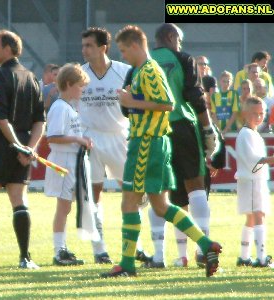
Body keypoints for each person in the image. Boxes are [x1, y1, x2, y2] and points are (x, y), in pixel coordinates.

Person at [100, 25, 221, 278]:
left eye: (123, 50)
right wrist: (130, 100)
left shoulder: (148, 69)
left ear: (135, 45)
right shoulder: (141, 70)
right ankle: (206, 244)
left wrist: (131, 101)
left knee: (129, 202)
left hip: (147, 142)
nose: (122, 56)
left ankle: (127, 264)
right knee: (161, 205)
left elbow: (167, 103)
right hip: (154, 141)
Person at [139, 23, 220, 269]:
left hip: (153, 131)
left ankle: (158, 256)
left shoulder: (143, 61)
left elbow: (130, 102)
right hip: (183, 126)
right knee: (195, 186)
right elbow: (195, 96)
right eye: (179, 40)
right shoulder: (184, 59)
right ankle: (202, 251)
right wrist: (208, 130)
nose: (180, 45)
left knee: (158, 191)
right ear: (172, 37)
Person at [0, 29, 45, 270]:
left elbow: (0, 117)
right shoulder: (32, 77)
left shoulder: (0, 77)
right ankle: (25, 258)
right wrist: (29, 148)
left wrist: (16, 145)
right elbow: (39, 120)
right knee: (19, 201)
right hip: (22, 146)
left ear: (8, 49)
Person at [80, 27, 147, 264]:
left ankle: (136, 247)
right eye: (83, 45)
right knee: (93, 195)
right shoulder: (80, 74)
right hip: (90, 139)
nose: (84, 50)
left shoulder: (124, 71)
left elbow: (138, 102)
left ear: (102, 47)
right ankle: (99, 250)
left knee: (132, 193)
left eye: (89, 45)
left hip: (119, 137)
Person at [44, 63, 91, 266]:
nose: (82, 90)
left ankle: (62, 248)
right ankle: (58, 251)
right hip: (63, 162)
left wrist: (84, 140)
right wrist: (78, 140)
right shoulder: (59, 107)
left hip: (73, 161)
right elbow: (52, 137)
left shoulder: (71, 107)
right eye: (80, 86)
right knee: (63, 207)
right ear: (70, 84)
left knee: (68, 207)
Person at [235, 96, 273, 268]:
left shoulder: (253, 133)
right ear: (245, 113)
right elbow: (252, 159)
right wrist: (270, 159)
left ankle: (244, 257)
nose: (258, 117)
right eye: (254, 114)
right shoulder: (245, 134)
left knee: (252, 217)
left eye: (261, 113)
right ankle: (262, 257)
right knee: (258, 215)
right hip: (251, 181)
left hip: (256, 180)